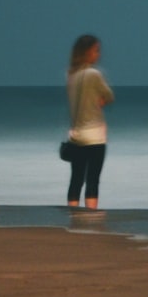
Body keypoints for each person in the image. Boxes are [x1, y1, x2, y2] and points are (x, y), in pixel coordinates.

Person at [66, 34, 114, 210]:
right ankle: (91, 220)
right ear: (87, 52)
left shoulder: (71, 75)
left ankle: (72, 217)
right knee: (92, 180)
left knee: (76, 179)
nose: (98, 54)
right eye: (96, 50)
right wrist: (99, 101)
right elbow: (109, 95)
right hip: (94, 135)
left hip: (76, 135)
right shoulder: (94, 74)